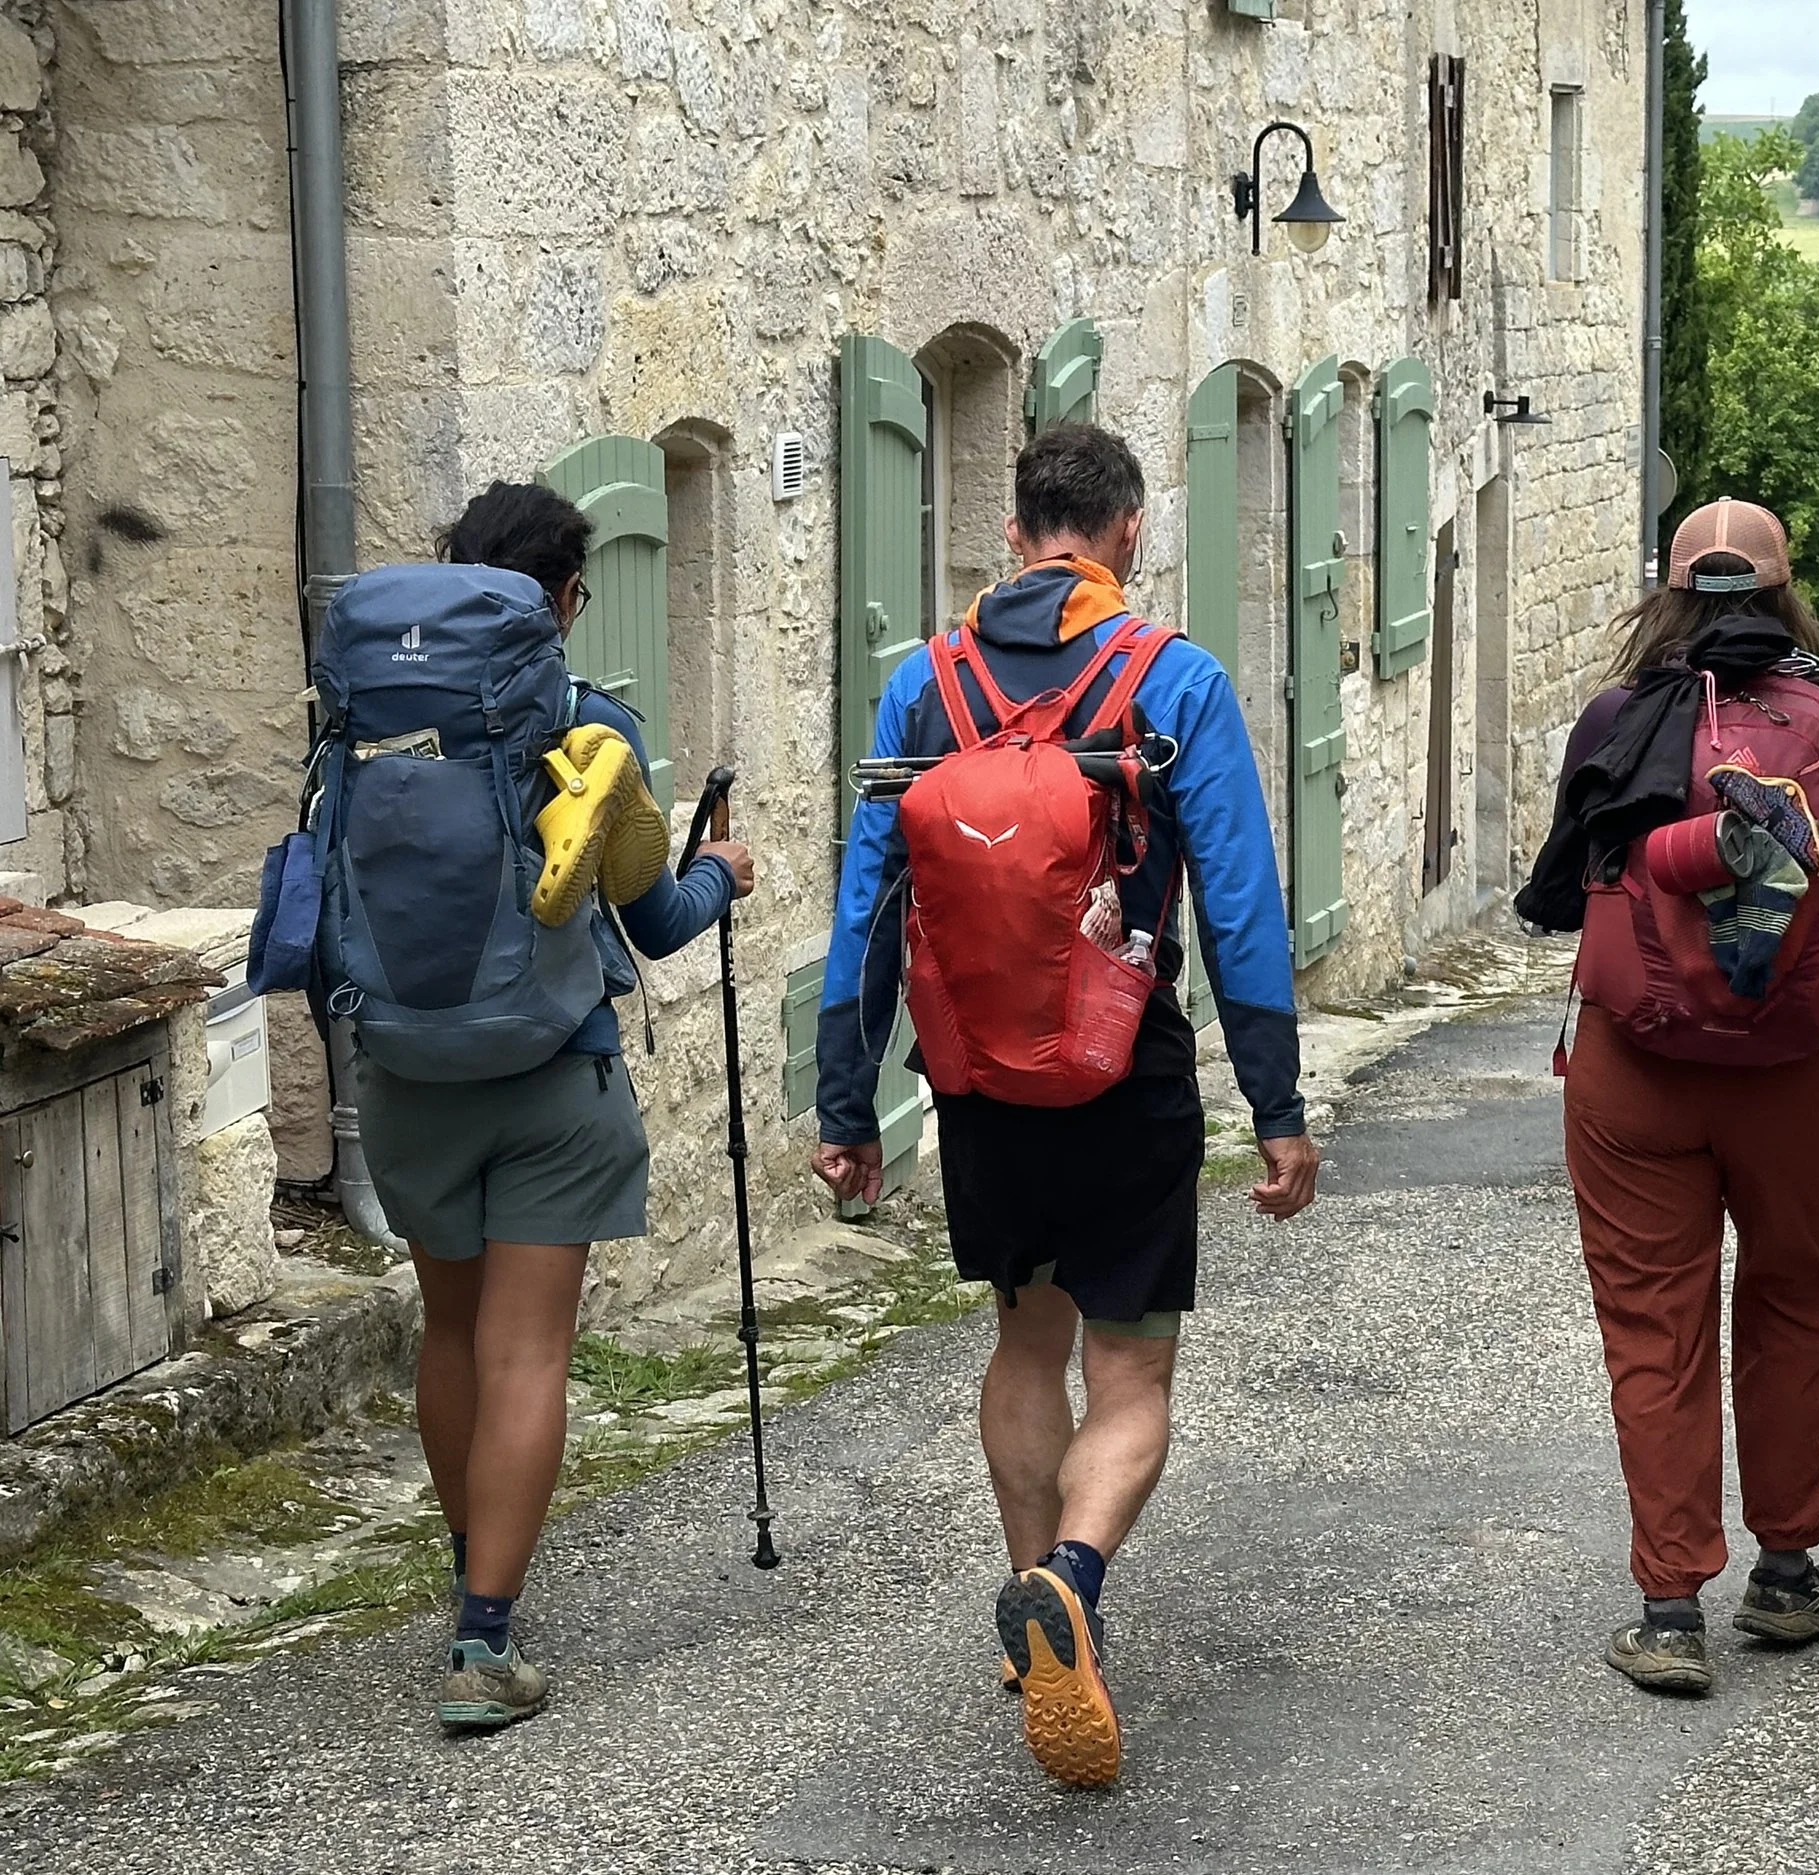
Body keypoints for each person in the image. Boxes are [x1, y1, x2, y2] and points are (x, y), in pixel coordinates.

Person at [812, 423, 1318, 1787]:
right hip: (1124, 1065)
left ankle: (1030, 1588)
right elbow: (1242, 906)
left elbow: (870, 900)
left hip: (977, 1074)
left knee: (1026, 1344)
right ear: (1129, 531)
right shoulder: (1176, 680)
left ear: (1020, 525)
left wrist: (844, 1103)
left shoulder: (923, 682)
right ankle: (1075, 1587)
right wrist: (1276, 1102)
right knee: (1133, 1368)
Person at [358, 482, 756, 1729]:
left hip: (409, 1071)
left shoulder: (370, 717)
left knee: (449, 1332)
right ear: (566, 599)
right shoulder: (591, 731)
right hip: (549, 1074)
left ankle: (474, 1565)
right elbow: (656, 919)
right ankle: (484, 1646)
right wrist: (722, 871)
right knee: (527, 1348)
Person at [1519, 498, 1819, 1697]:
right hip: (1800, 1068)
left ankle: (1670, 1609)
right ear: (1786, 592)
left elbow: (1569, 878)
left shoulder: (1615, 720)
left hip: (1634, 1068)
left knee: (1655, 1325)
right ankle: (1789, 1578)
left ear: (1670, 593)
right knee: (1794, 1300)